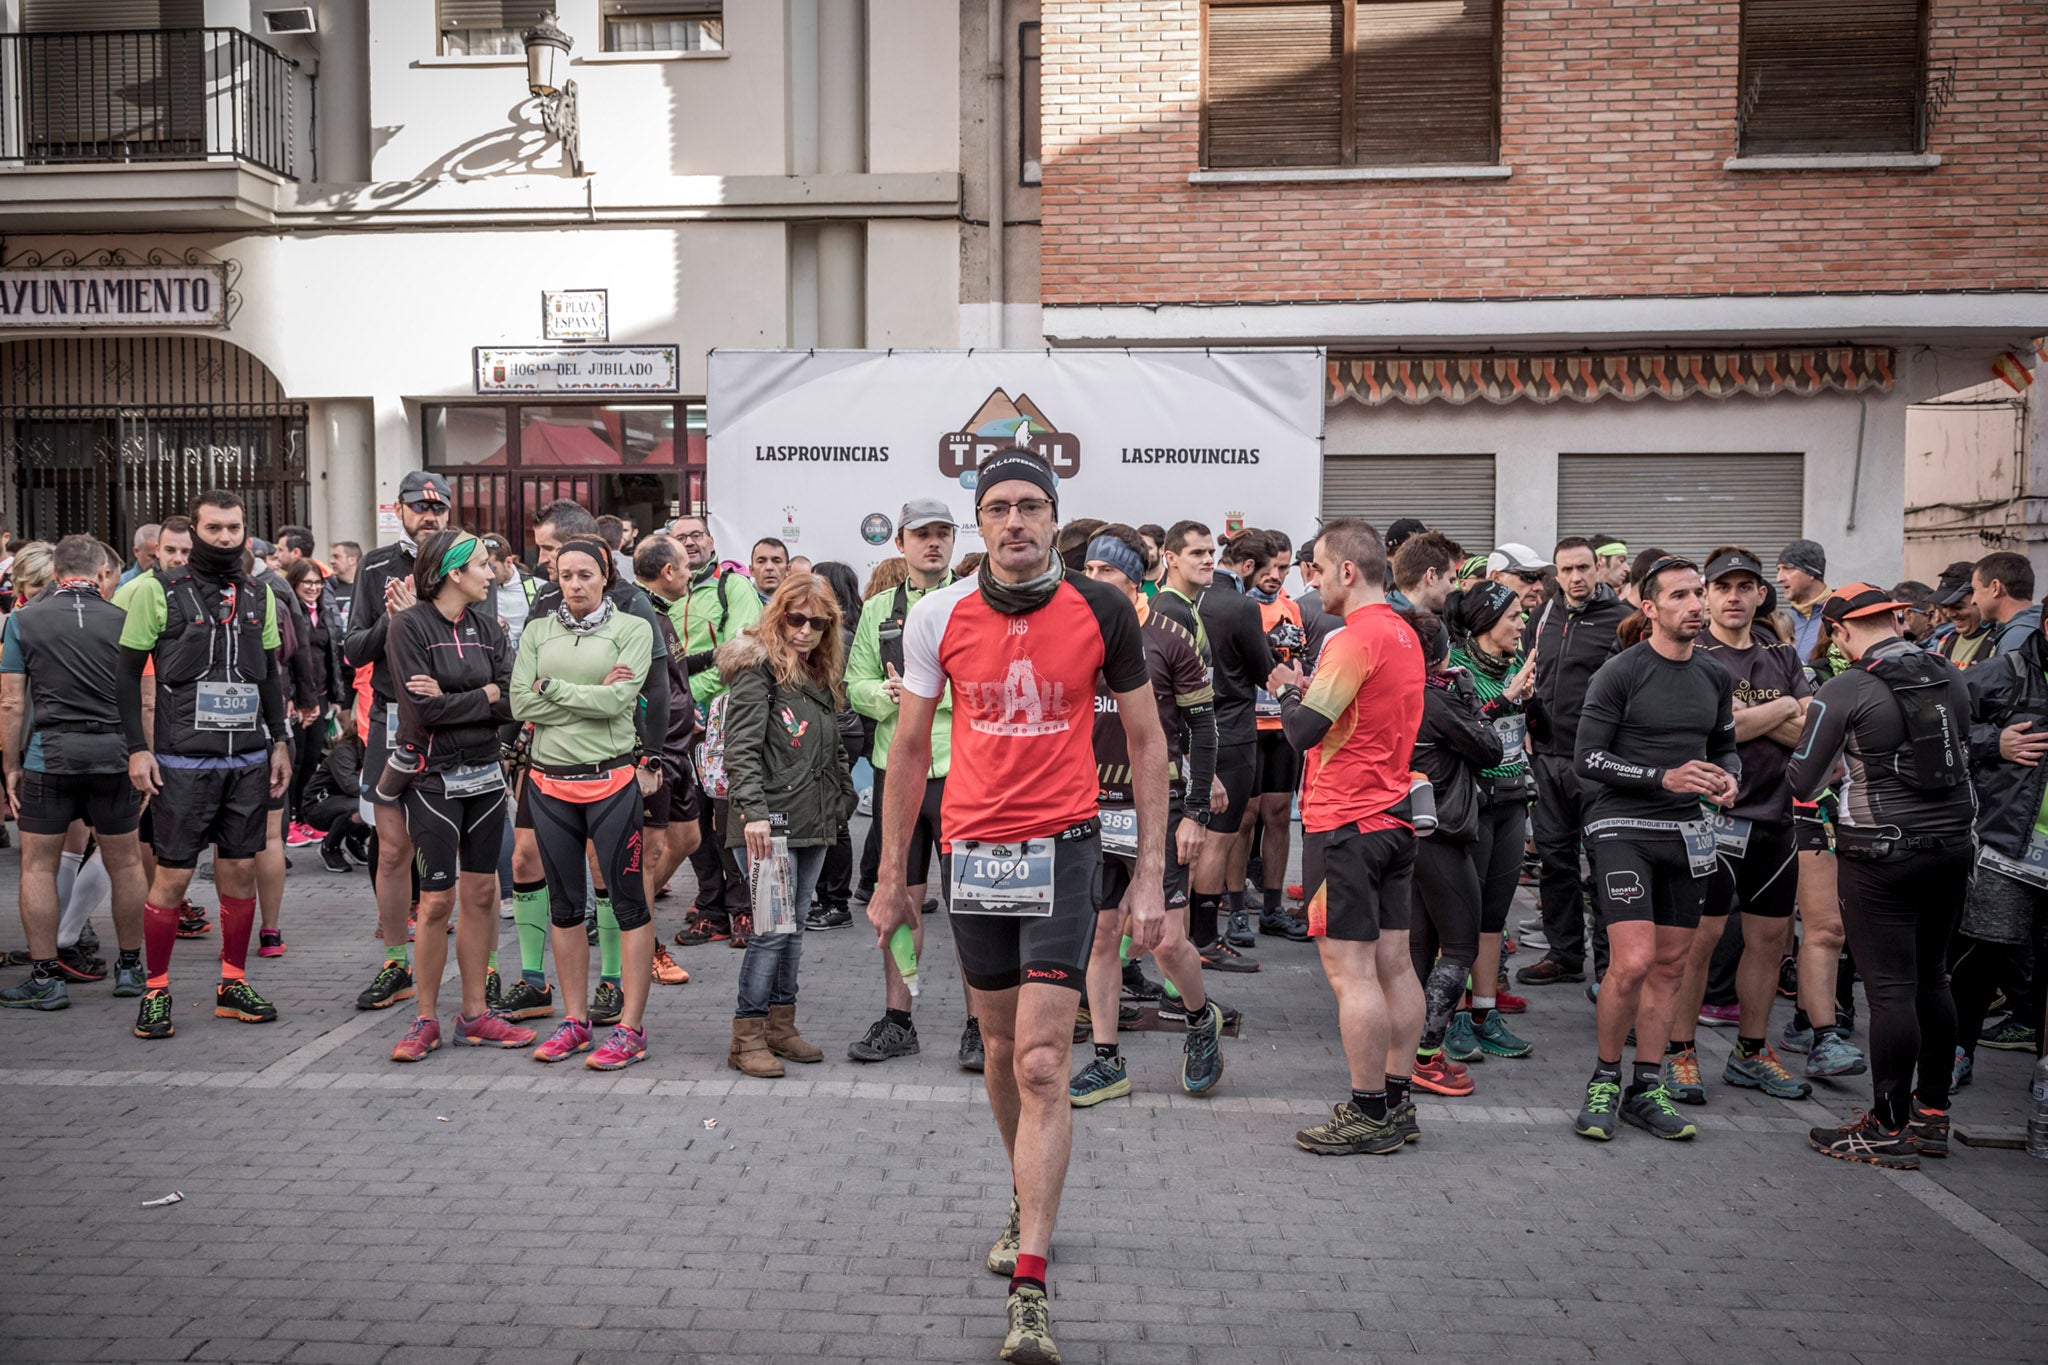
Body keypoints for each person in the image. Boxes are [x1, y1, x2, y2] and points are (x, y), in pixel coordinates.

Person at [868, 450, 1165, 1365]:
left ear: (1052, 513)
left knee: (1042, 1061)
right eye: (996, 508)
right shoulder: (934, 612)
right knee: (999, 1049)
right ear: (977, 521)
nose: (1014, 523)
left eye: (1030, 506)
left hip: (1066, 849)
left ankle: (1030, 1282)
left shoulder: (1104, 609)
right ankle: (1022, 1188)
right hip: (974, 854)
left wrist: (1150, 870)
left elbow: (1149, 742)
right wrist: (892, 875)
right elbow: (910, 750)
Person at [1790, 585, 1976, 1168]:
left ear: (1840, 634)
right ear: (1897, 618)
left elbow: (1800, 780)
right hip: (1953, 847)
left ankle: (1888, 1127)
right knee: (1934, 979)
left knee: (1891, 989)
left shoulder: (1844, 687)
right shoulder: (1950, 674)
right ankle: (1932, 1116)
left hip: (1880, 856)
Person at [1269, 518, 1426, 1156]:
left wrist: (1284, 693)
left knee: (1350, 971)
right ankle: (1396, 1102)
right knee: (1394, 964)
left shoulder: (1350, 636)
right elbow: (1356, 710)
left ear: (1347, 571)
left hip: (1345, 824)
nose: (1308, 578)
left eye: (1315, 566)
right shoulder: (1403, 631)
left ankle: (1366, 1112)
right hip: (1392, 816)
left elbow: (1304, 732)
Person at [1570, 555, 1738, 1143]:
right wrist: (1660, 777)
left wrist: (1729, 776)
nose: (1696, 605)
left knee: (1671, 965)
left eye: (1700, 594)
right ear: (1650, 608)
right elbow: (1587, 760)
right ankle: (1604, 1079)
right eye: (1681, 597)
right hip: (1622, 827)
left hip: (1687, 834)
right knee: (1634, 961)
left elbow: (1724, 744)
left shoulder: (1715, 676)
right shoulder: (1620, 672)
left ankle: (1648, 1085)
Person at [116, 490, 292, 1040]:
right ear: (193, 531)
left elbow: (268, 675)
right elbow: (124, 676)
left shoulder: (260, 594)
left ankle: (232, 983)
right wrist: (137, 749)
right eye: (213, 528)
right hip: (180, 760)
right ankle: (156, 991)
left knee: (239, 871)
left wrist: (280, 741)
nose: (224, 538)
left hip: (247, 759)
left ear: (245, 531)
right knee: (172, 875)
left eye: (233, 528)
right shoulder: (154, 591)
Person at [1068, 524, 1227, 1106]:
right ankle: (1108, 1061)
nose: (1092, 579)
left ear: (1134, 582)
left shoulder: (1170, 637)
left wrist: (1196, 814)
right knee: (1102, 937)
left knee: (1162, 941)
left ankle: (1198, 1016)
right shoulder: (1074, 632)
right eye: (1086, 568)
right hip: (1090, 806)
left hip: (1154, 808)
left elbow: (1203, 728)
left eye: (1105, 571)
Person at [499, 500, 674, 1022]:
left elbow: (640, 695)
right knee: (536, 873)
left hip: (612, 770)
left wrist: (651, 754)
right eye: (557, 567)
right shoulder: (542, 615)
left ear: (603, 568)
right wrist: (568, 700)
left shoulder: (634, 613)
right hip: (547, 773)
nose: (566, 578)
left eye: (574, 566)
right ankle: (539, 985)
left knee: (616, 885)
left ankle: (616, 989)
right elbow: (520, 698)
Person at [1661, 548, 1815, 1104]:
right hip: (1711, 819)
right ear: (1706, 593)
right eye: (1722, 586)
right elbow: (1709, 731)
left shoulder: (1779, 650)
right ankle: (1679, 1051)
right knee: (1697, 942)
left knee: (1770, 941)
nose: (1733, 596)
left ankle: (1751, 1052)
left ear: (1759, 595)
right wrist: (1782, 709)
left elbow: (1811, 735)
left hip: (1777, 816)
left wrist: (1748, 721)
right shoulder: (1693, 654)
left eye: (1745, 586)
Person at [379, 530, 534, 1060]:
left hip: (486, 774)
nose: (492, 573)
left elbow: (512, 699)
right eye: (483, 565)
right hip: (432, 777)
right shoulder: (408, 625)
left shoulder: (489, 627)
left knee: (483, 895)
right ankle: (424, 1019)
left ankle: (474, 1016)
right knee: (437, 902)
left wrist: (461, 695)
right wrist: (482, 694)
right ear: (452, 572)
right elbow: (423, 713)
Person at [844, 499, 972, 1064]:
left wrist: (922, 697)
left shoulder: (972, 602)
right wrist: (888, 695)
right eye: (922, 534)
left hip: (962, 775)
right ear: (901, 543)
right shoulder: (877, 609)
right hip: (898, 772)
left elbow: (977, 695)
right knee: (897, 900)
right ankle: (899, 1020)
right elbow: (855, 686)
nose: (934, 543)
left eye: (943, 533)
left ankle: (980, 1025)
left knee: (974, 908)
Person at [0, 537, 149, 1008]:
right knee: (125, 862)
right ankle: (130, 968)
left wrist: (9, 766)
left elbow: (9, 701)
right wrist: (145, 756)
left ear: (57, 570)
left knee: (38, 865)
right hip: (116, 754)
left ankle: (46, 976)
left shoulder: (23, 620)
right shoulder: (125, 621)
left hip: (51, 755)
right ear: (104, 570)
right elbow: (147, 700)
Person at [718, 573, 856, 1077]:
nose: (805, 631)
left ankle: (781, 1025)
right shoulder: (758, 670)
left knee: (792, 930)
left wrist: (843, 795)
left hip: (814, 820)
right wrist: (753, 813)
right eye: (796, 619)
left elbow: (836, 746)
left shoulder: (817, 673)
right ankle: (747, 1034)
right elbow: (742, 750)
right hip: (769, 823)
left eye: (818, 624)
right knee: (773, 930)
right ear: (778, 615)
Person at [344, 471, 451, 1011]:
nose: (428, 515)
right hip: (391, 720)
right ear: (400, 510)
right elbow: (353, 649)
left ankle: (486, 969)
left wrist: (419, 620)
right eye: (418, 507)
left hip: (452, 720)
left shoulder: (465, 558)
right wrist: (394, 622)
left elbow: (483, 639)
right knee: (391, 849)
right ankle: (395, 962)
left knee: (464, 851)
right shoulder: (376, 566)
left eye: (437, 507)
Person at [1518, 536, 1629, 987]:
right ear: (1556, 574)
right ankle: (1564, 953)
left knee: (1603, 866)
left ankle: (1608, 969)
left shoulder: (1623, 621)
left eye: (1583, 568)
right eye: (1566, 570)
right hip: (1546, 757)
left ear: (1598, 569)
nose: (1575, 578)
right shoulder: (1544, 616)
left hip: (1597, 765)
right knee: (1555, 860)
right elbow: (1526, 671)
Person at [1402, 607, 1502, 1097]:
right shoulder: (1434, 700)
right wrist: (1468, 697)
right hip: (1439, 829)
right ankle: (1423, 1055)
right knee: (1460, 943)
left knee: (1418, 945)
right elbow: (1490, 749)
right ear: (1440, 654)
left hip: (1404, 829)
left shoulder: (1393, 692)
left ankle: (1405, 1054)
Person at [1952, 603, 2048, 1083]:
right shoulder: (2003, 674)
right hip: (2006, 845)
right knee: (1982, 954)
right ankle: (1956, 1053)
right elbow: (1939, 731)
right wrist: (1996, 743)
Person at [1445, 582, 1537, 1062]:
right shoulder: (1457, 672)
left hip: (1512, 798)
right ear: (1485, 623)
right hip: (1472, 803)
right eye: (1514, 617)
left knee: (1493, 917)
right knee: (1461, 915)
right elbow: (1463, 732)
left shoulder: (1514, 668)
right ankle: (1452, 1015)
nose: (1522, 624)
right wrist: (1507, 697)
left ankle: (1484, 1013)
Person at [669, 513, 764, 945]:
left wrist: (689, 696)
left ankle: (742, 905)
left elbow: (740, 652)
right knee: (690, 820)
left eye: (696, 535)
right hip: (675, 724)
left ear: (710, 542)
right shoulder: (663, 595)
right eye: (679, 537)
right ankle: (711, 906)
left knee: (729, 817)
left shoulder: (732, 586)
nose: (689, 543)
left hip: (724, 719)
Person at [1192, 524, 1277, 962]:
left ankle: (1188, 935)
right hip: (1232, 731)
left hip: (1188, 730)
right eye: (1267, 569)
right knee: (1217, 840)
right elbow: (1264, 671)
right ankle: (1204, 940)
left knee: (1190, 835)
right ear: (1247, 566)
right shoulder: (1241, 606)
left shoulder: (1182, 599)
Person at [629, 533, 704, 984]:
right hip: (655, 754)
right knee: (651, 852)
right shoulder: (639, 615)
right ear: (668, 572)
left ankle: (625, 911)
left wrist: (719, 657)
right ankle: (643, 943)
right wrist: (648, 752)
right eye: (685, 565)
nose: (691, 573)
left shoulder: (660, 613)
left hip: (679, 746)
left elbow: (671, 675)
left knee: (688, 838)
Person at [1234, 529, 1307, 940]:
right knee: (1244, 818)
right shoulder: (1241, 607)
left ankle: (1273, 908)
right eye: (1271, 567)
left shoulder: (1291, 609)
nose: (1277, 575)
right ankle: (1236, 905)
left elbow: (1297, 661)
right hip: (1248, 723)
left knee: (1279, 816)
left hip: (1282, 725)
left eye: (1284, 567)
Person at [1972, 550, 2039, 660]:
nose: (1973, 600)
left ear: (1995, 588)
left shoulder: (2016, 640)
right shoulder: (2035, 626)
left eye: (1974, 589)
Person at [1776, 539, 1831, 662]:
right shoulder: (1783, 621)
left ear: (1811, 572)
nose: (1779, 578)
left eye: (1787, 568)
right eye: (1778, 570)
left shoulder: (1840, 616)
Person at [1933, 561, 1991, 666]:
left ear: (1977, 598)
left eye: (1958, 607)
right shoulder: (1946, 642)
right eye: (1945, 607)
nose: (1950, 614)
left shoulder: (1996, 642)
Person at [1488, 543, 1549, 612]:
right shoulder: (1477, 619)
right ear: (1497, 578)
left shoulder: (1536, 618)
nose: (1540, 587)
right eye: (1529, 576)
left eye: (1541, 577)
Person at [327, 540, 362, 621]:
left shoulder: (366, 586)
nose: (331, 561)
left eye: (336, 557)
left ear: (352, 560)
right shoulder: (328, 587)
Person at [750, 537, 790, 603]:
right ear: (752, 570)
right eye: (761, 561)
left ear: (787, 570)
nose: (769, 567)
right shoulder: (738, 601)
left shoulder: (798, 605)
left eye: (777, 561)